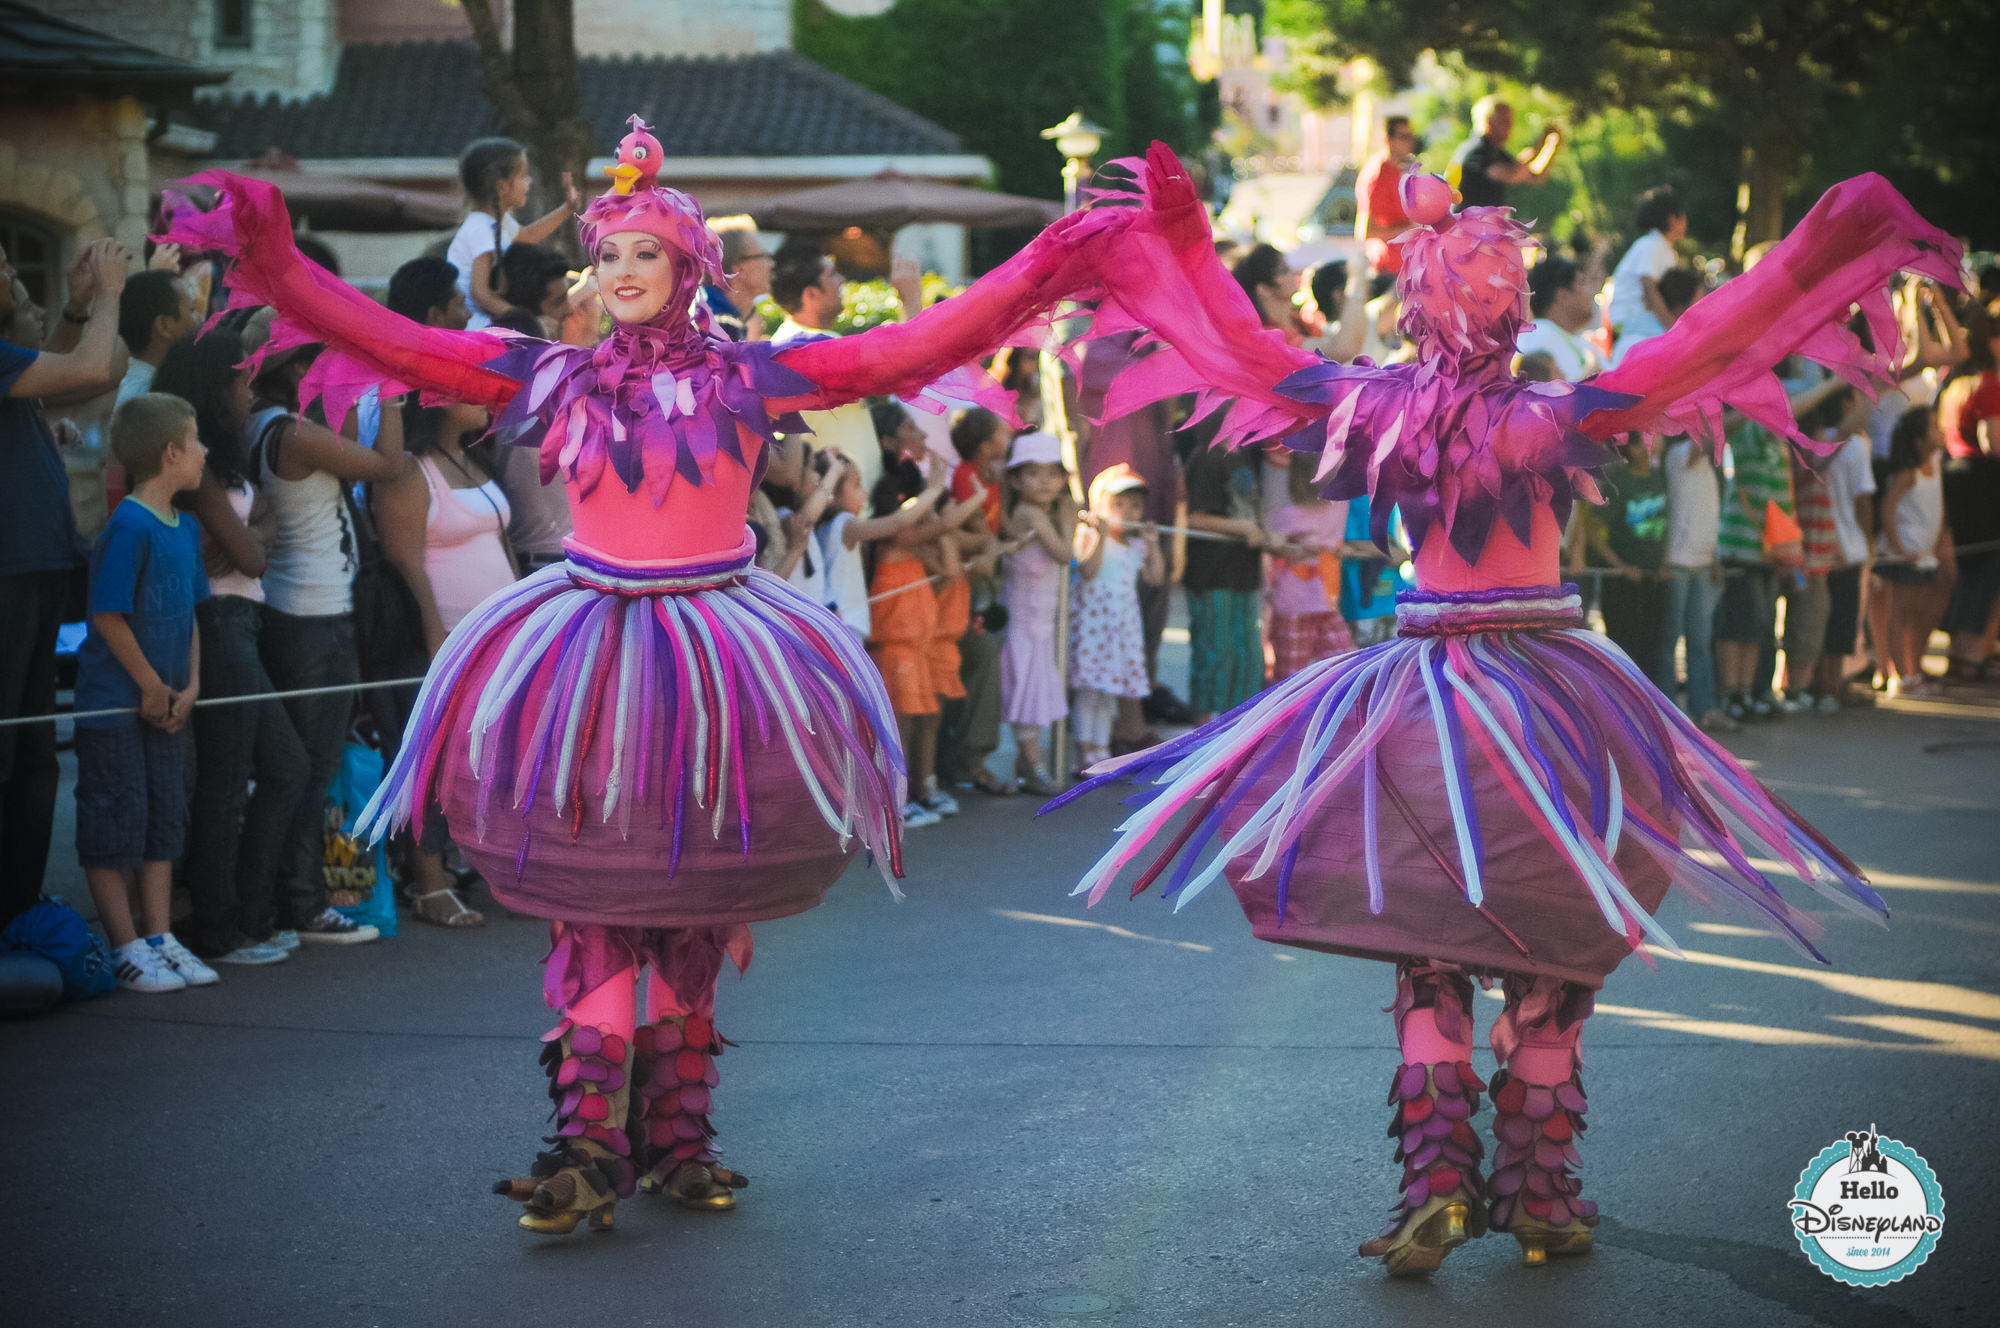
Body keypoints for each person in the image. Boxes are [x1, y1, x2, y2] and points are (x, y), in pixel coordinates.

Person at [162, 115, 1149, 1233]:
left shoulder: (749, 374)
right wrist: (276, 262)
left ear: (687, 269)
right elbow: (395, 343)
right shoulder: (549, 372)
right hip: (588, 658)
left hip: (721, 661)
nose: (620, 273)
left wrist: (1049, 263)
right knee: (596, 898)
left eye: (645, 254)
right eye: (608, 255)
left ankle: (678, 1133)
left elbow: (904, 350)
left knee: (686, 901)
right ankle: (588, 1140)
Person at [1046, 157, 1946, 1275]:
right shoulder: (1556, 412)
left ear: (1413, 303)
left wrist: (1172, 233)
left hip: (1416, 694)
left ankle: (1434, 1181)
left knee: (1428, 948)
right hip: (1552, 698)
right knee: (1553, 943)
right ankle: (1538, 1193)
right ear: (1510, 303)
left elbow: (1236, 345)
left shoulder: (1371, 406)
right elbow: (1716, 335)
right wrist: (1837, 239)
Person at [240, 308, 401, 945]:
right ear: (301, 369)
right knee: (308, 770)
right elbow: (386, 464)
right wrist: (388, 391)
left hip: (303, 608)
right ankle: (303, 906)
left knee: (304, 769)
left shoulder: (266, 422)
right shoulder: (290, 432)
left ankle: (293, 900)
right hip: (314, 616)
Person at [152, 328, 310, 965]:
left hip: (238, 620)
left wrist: (254, 541)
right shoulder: (197, 468)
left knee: (278, 768)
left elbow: (258, 534)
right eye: (241, 377)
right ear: (214, 388)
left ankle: (243, 915)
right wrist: (254, 541)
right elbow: (247, 552)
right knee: (232, 778)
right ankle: (221, 928)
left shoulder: (223, 461)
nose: (250, 387)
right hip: (218, 624)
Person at [1, 235, 128, 924]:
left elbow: (83, 369)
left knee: (34, 756)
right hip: (9, 576)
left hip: (36, 569)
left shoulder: (14, 363)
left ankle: (20, 905)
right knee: (11, 753)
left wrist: (80, 306)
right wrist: (108, 294)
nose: (10, 270)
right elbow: (89, 369)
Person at [73, 393, 215, 992]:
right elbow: (107, 614)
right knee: (113, 822)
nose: (207, 450)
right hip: (116, 706)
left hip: (166, 706)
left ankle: (160, 936)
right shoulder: (128, 526)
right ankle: (124, 943)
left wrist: (191, 684)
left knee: (162, 818)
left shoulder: (185, 529)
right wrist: (150, 684)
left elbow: (191, 617)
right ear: (171, 452)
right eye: (198, 439)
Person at [371, 395, 520, 926]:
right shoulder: (412, 471)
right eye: (468, 390)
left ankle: (500, 869)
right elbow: (404, 559)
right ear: (434, 404)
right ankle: (429, 884)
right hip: (450, 640)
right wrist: (434, 631)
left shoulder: (471, 459)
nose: (485, 397)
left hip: (501, 639)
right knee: (433, 761)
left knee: (499, 760)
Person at [768, 242, 882, 496]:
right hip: (841, 509)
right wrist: (910, 301)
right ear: (811, 294)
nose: (842, 280)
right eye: (832, 275)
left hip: (841, 506)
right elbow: (895, 369)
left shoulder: (787, 341)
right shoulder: (814, 346)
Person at [1069, 464, 1163, 770]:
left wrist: (1152, 545)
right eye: (1118, 504)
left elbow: (1156, 578)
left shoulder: (1136, 545)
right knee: (1089, 691)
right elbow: (1087, 570)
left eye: (1134, 505)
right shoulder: (1090, 535)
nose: (1127, 511)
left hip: (1121, 629)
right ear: (1099, 506)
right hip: (1094, 628)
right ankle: (1085, 749)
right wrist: (1099, 534)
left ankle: (1101, 749)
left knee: (1108, 691)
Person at [1000, 430, 1075, 795]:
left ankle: (1028, 761)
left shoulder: (1042, 512)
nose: (1045, 481)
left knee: (1039, 688)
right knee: (1027, 689)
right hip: (1026, 620)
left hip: (1042, 620)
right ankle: (1035, 763)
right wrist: (1071, 518)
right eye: (1033, 473)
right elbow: (1063, 554)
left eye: (1053, 472)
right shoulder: (1029, 513)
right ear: (1016, 479)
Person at [447, 137, 582, 330]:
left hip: (488, 318)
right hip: (474, 326)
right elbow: (480, 293)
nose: (530, 181)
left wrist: (567, 209)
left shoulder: (497, 222)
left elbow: (529, 236)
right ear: (502, 187)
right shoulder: (480, 229)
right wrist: (526, 322)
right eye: (523, 175)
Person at [1714, 416, 1796, 722]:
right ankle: (1730, 692)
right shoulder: (1748, 430)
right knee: (1737, 625)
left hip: (1770, 551)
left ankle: (1746, 692)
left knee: (1759, 625)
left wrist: (1785, 546)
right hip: (1740, 545)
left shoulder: (1780, 444)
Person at [1872, 405, 1952, 698]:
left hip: (1924, 555)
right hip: (1904, 556)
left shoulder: (1935, 463)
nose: (1940, 431)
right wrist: (1899, 548)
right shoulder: (1907, 474)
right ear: (1918, 441)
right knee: (1899, 614)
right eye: (1933, 427)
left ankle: (1913, 669)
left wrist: (1939, 542)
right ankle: (1902, 676)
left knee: (1916, 615)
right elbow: (1887, 510)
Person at [1656, 433, 1730, 730]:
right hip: (1677, 560)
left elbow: (1709, 514)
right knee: (1669, 639)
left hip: (1702, 561)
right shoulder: (1679, 454)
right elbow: (1709, 441)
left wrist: (1715, 557)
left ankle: (1705, 707)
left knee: (1700, 640)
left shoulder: (1711, 465)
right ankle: (1667, 710)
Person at [1263, 451, 1357, 681]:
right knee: (1291, 676)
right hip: (1294, 604)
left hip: (1324, 602)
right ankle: (1288, 717)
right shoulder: (1290, 516)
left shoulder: (1333, 506)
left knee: (1345, 665)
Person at [1584, 441, 1667, 671]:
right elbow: (1593, 528)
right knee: (1624, 652)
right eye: (1640, 444)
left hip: (1654, 579)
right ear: (1629, 448)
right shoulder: (1618, 481)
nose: (1647, 449)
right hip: (1621, 582)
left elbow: (1665, 523)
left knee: (1651, 652)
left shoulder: (1661, 478)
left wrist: (1664, 562)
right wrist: (1620, 566)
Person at [1604, 187, 1686, 351]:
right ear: (1672, 219)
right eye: (1683, 216)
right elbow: (1649, 288)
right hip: (1633, 319)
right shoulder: (1651, 245)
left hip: (1640, 319)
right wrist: (1672, 327)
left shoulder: (1661, 246)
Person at [1449, 96, 1561, 210]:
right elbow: (1512, 175)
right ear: (1488, 122)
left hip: (1485, 224)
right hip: (1469, 225)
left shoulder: (1497, 152)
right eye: (1504, 121)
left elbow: (1536, 177)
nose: (1510, 126)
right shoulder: (1475, 151)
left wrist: (1552, 147)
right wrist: (1540, 144)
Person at [1516, 257, 1604, 382]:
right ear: (1562, 295)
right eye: (1582, 283)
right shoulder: (1539, 337)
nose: (1590, 293)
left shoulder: (1565, 336)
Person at [114, 269, 194, 406]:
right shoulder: (144, 400)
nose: (202, 320)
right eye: (192, 310)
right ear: (164, 326)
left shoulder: (157, 384)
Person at [1356, 116, 1420, 281]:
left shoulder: (1398, 170)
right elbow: (1366, 232)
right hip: (1388, 270)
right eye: (1404, 137)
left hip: (1405, 265)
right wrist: (1410, 230)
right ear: (1388, 139)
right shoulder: (1379, 174)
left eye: (1411, 137)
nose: (1409, 142)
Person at [700, 215, 773, 342]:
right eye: (763, 256)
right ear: (739, 268)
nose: (771, 264)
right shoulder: (716, 325)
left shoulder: (727, 318)